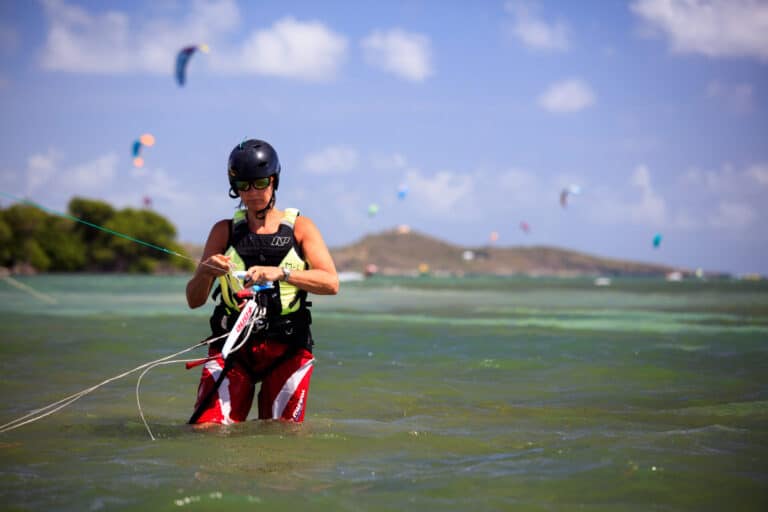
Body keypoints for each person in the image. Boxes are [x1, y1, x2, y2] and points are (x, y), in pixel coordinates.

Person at [185, 138, 339, 425]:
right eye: (243, 186)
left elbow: (331, 282)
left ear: (274, 180)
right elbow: (194, 300)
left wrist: (282, 273)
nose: (252, 192)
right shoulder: (224, 231)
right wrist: (206, 272)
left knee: (281, 439)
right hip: (231, 346)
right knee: (206, 430)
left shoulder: (301, 228)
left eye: (260, 183)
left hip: (287, 347)